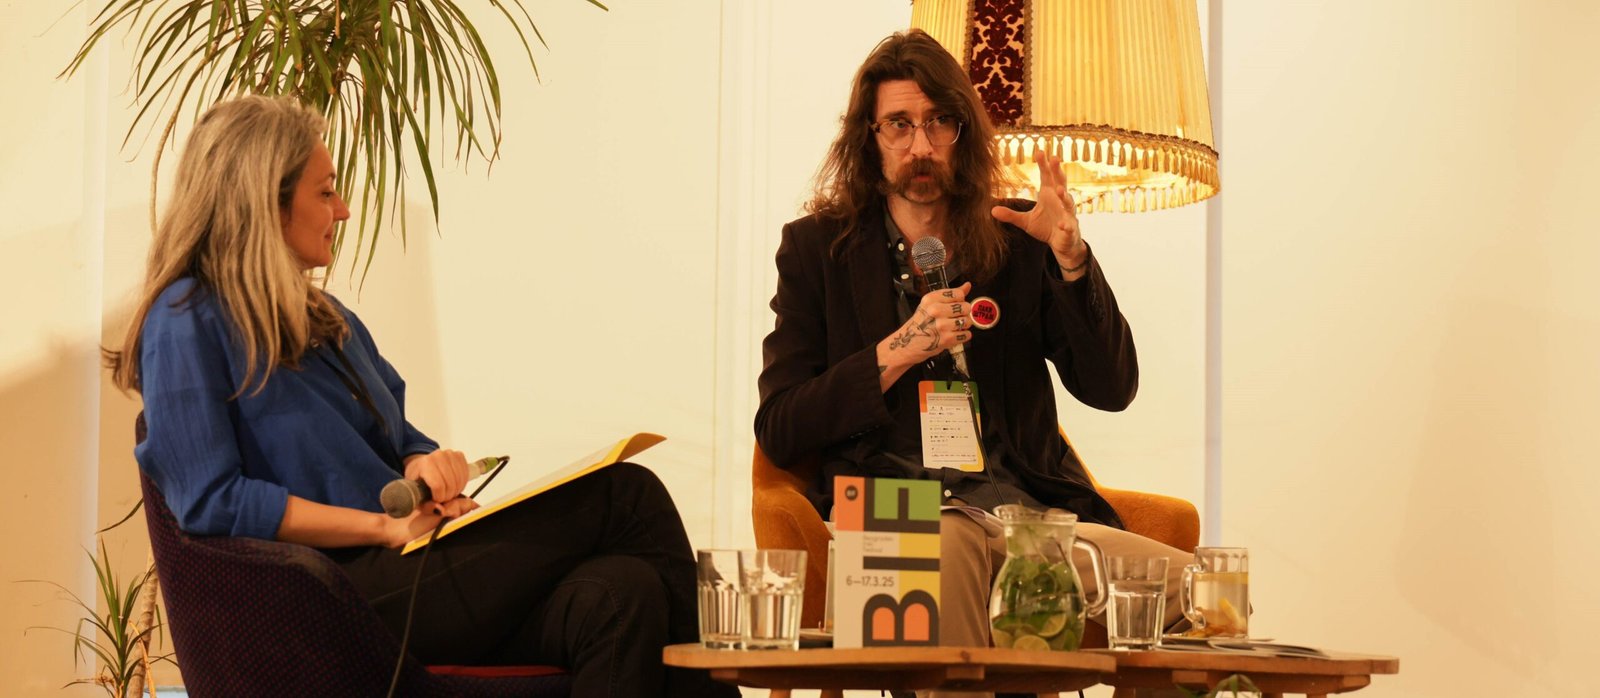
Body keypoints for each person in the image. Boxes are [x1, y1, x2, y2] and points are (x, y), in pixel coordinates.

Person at [109, 94, 735, 698]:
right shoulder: (185, 319)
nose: (343, 210)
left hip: (406, 564)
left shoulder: (328, 318)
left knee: (623, 593)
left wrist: (426, 466)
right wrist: (381, 527)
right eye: (325, 192)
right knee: (625, 494)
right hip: (325, 594)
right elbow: (212, 501)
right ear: (265, 205)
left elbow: (403, 439)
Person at [754, 30, 1190, 695]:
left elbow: (1112, 387)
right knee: (948, 543)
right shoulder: (819, 250)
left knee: (1198, 592)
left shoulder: (1016, 238)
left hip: (1026, 519)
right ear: (869, 138)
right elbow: (782, 427)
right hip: (889, 511)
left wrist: (1071, 261)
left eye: (939, 123)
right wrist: (900, 348)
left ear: (964, 133)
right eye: (900, 125)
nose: (920, 146)